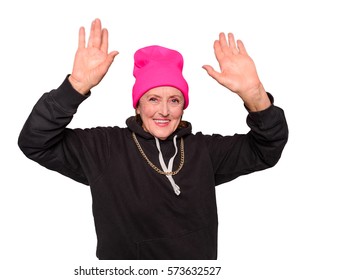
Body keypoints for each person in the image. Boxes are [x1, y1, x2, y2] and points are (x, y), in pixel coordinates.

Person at [18, 18, 288, 260]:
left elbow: (267, 149)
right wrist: (75, 86)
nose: (164, 110)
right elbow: (35, 141)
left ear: (183, 106)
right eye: (153, 99)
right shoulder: (104, 147)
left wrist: (255, 95)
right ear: (137, 105)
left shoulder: (204, 150)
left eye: (174, 100)